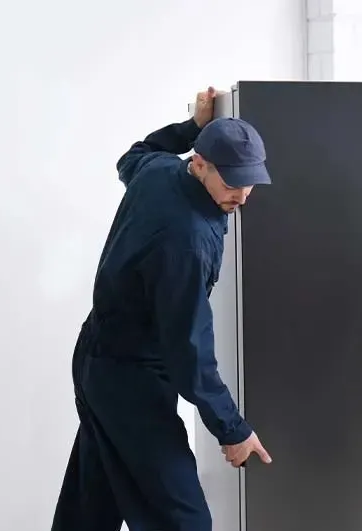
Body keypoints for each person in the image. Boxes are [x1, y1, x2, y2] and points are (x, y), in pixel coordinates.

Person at [52, 87, 273, 531]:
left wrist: (191, 127)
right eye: (232, 183)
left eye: (250, 181)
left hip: (98, 362)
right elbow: (188, 349)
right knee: (183, 520)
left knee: (92, 502)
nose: (242, 196)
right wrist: (231, 429)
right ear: (200, 164)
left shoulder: (159, 170)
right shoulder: (186, 240)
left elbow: (134, 156)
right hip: (130, 377)